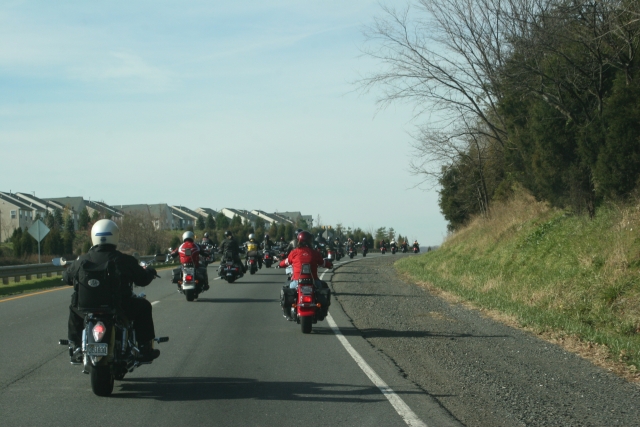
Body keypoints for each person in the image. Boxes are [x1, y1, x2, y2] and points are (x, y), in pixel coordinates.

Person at [64, 219, 160, 363]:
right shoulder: (123, 260)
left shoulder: (81, 260)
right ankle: (144, 349)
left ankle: (76, 346)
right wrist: (150, 272)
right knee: (144, 306)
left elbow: (67, 278)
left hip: (87, 308)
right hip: (120, 307)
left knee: (73, 308)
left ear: (94, 236)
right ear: (115, 236)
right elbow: (142, 280)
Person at [278, 231, 333, 319]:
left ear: (299, 241)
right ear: (310, 241)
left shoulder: (294, 252)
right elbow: (323, 263)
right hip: (314, 282)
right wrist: (329, 265)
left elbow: (286, 262)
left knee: (285, 288)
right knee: (324, 287)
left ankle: (287, 313)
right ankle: (323, 312)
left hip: (296, 282)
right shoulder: (315, 253)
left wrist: (280, 265)